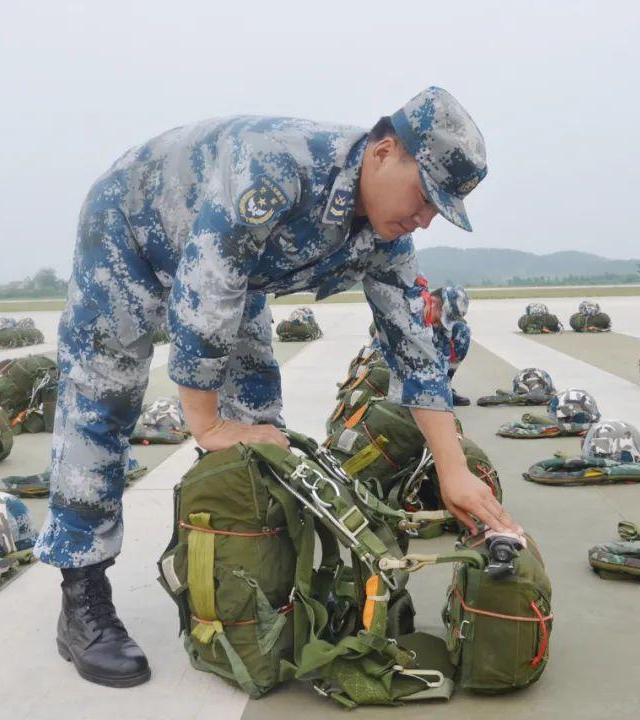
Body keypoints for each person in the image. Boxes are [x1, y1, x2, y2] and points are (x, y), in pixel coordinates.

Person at [34, 86, 514, 688]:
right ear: (384, 151)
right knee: (102, 397)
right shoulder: (275, 167)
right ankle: (83, 600)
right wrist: (205, 426)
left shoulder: (387, 237)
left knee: (259, 422)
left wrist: (453, 470)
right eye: (424, 197)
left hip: (233, 269)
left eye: (437, 211)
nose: (424, 218)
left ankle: (242, 572)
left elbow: (415, 351)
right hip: (131, 226)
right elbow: (205, 301)